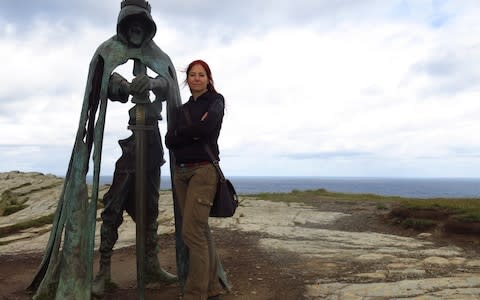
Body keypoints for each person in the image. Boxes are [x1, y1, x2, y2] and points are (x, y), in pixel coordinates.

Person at [91, 0, 178, 296]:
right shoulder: (108, 51)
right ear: (124, 26)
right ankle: (104, 271)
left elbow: (168, 85)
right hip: (131, 147)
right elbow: (103, 85)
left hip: (152, 144)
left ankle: (151, 265)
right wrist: (122, 87)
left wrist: (152, 84)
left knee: (150, 209)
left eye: (141, 24)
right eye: (131, 24)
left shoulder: (159, 58)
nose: (136, 30)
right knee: (113, 207)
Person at [165, 60, 225, 300]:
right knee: (200, 230)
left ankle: (194, 294)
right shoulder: (182, 109)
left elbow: (208, 128)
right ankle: (211, 290)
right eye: (192, 75)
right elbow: (169, 141)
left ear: (208, 79)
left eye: (202, 75)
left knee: (191, 233)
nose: (197, 78)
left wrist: (182, 134)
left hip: (203, 171)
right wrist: (188, 132)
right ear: (187, 79)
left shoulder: (216, 101)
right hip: (181, 173)